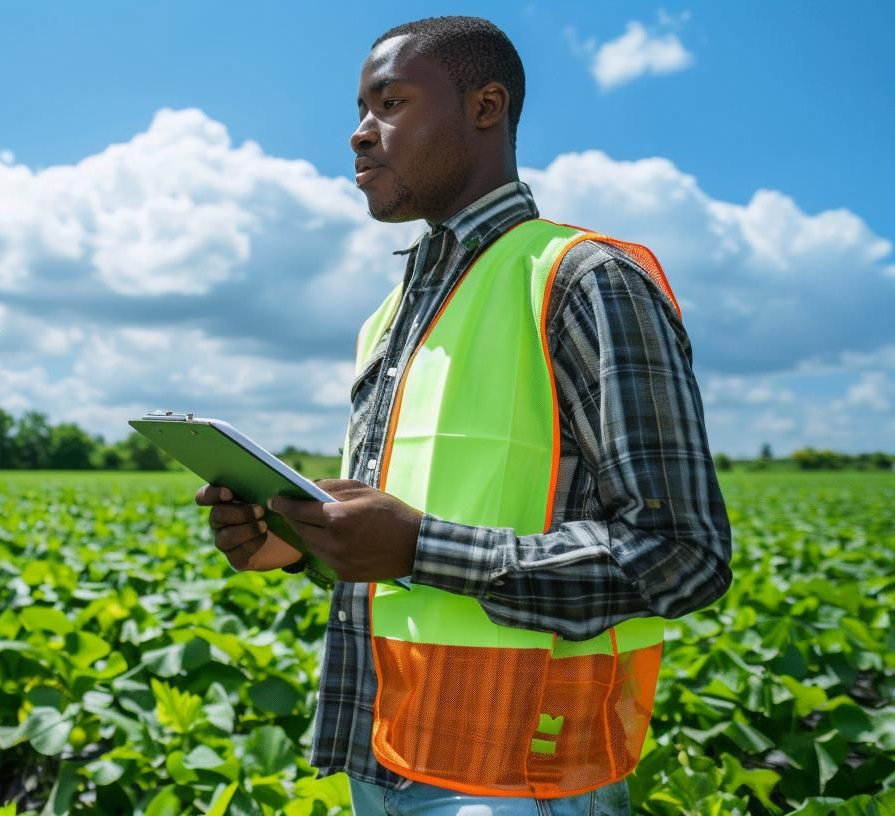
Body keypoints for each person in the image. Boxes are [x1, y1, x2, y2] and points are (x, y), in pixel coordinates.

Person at [195, 16, 731, 816]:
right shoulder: (387, 318)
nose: (358, 134)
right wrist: (298, 543)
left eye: (390, 103)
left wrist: (418, 545)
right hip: (381, 754)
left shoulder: (586, 279)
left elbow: (681, 554)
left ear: (486, 106)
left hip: (525, 777)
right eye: (359, 109)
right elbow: (398, 538)